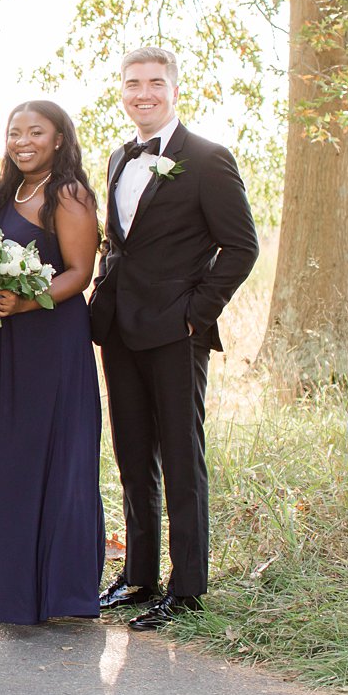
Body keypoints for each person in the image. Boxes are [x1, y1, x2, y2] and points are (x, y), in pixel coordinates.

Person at [90, 47, 258, 631]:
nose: (143, 93)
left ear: (175, 89)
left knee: (182, 457)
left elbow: (241, 247)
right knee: (133, 454)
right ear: (123, 90)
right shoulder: (118, 157)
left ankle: (186, 587)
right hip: (118, 328)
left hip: (175, 331)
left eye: (155, 83)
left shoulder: (209, 160)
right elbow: (120, 243)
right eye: (133, 83)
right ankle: (138, 576)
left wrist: (196, 313)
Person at [0, 100, 104, 624]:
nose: (23, 141)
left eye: (35, 132)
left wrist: (28, 300)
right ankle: (8, 591)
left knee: (51, 457)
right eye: (14, 132)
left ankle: (57, 593)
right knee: (2, 457)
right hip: (3, 340)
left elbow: (79, 271)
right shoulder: (7, 193)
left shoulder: (67, 194)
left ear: (59, 139)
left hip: (51, 340)